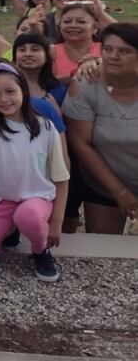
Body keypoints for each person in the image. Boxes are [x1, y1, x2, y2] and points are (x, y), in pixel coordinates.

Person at [0, 16, 69, 281]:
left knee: (28, 215)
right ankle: (8, 229)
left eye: (10, 91)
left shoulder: (45, 126)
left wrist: (56, 222)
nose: (4, 99)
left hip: (35, 200)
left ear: (23, 91)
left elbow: (62, 177)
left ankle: (40, 251)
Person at [63, 23, 138, 234]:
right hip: (104, 183)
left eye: (124, 51)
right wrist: (120, 192)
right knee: (103, 244)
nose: (113, 56)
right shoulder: (85, 84)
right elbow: (80, 143)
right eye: (108, 49)